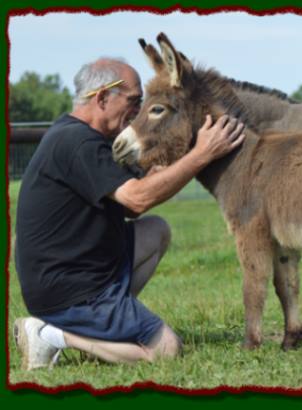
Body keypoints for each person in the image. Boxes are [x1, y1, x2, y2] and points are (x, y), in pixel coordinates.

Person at [13, 57, 245, 371]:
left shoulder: (77, 135)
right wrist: (201, 155)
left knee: (156, 231)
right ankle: (51, 334)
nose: (137, 111)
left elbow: (125, 205)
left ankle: (105, 333)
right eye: (134, 101)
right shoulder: (78, 143)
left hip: (78, 271)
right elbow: (136, 200)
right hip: (71, 290)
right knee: (166, 350)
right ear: (102, 98)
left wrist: (165, 165)